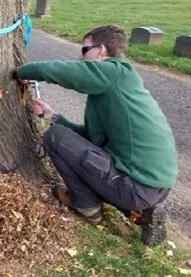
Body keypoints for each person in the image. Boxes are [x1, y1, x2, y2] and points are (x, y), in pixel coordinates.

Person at [14, 25, 178, 246]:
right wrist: (53, 116)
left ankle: (86, 205)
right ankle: (143, 212)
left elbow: (64, 72)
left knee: (54, 137)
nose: (80, 57)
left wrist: (22, 72)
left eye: (84, 50)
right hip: (156, 185)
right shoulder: (119, 84)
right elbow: (91, 140)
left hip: (135, 185)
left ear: (101, 50)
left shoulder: (113, 71)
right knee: (64, 135)